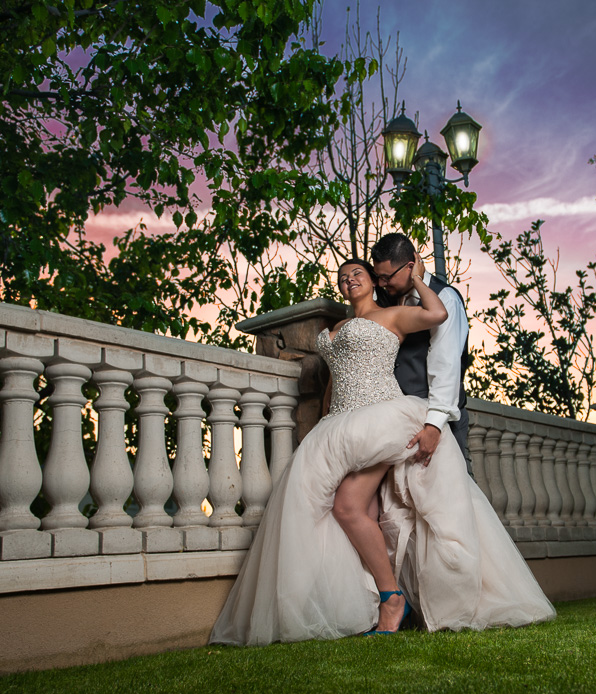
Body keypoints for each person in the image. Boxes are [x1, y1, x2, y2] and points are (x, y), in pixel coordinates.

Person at [209, 258, 555, 646]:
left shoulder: (392, 315)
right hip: (339, 425)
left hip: (380, 418)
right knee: (358, 513)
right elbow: (334, 379)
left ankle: (393, 600)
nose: (348, 279)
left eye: (357, 273)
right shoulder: (335, 328)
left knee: (347, 507)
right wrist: (325, 419)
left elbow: (437, 313)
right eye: (342, 277)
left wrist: (419, 279)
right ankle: (365, 599)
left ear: (374, 281)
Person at [371, 233, 470, 467]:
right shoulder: (387, 296)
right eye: (378, 277)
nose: (382, 284)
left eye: (386, 277)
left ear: (411, 266)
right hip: (398, 415)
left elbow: (445, 363)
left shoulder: (445, 298)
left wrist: (434, 425)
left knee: (451, 492)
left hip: (435, 415)